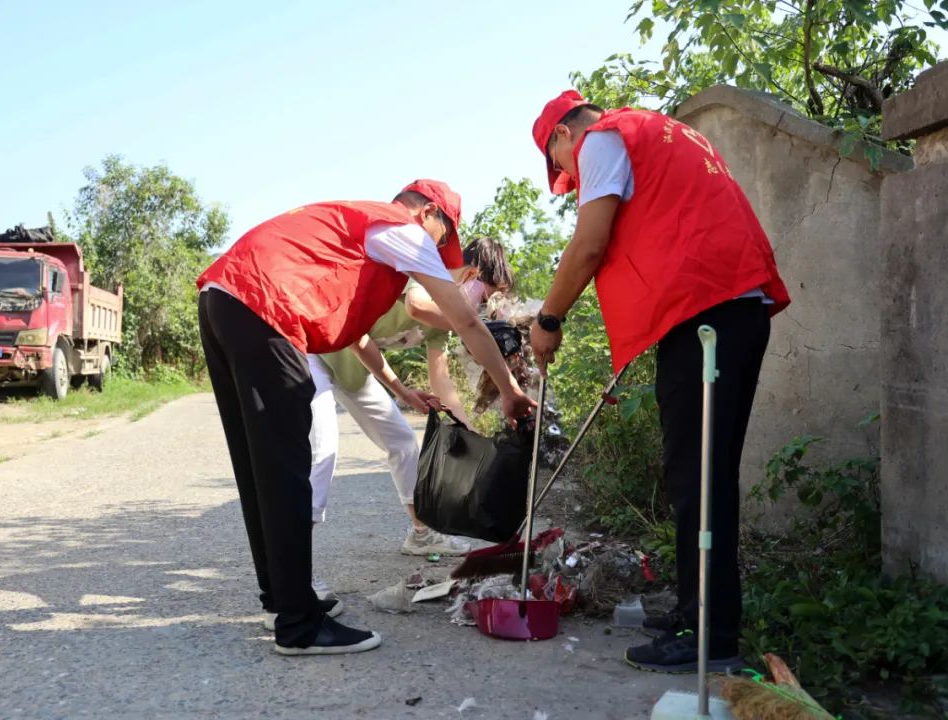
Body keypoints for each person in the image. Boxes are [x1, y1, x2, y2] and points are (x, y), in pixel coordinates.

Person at [197, 179, 534, 656]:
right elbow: (465, 320)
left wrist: (403, 384)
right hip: (262, 307)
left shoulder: (361, 231)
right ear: (430, 214)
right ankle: (299, 627)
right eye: (442, 240)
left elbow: (395, 317)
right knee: (288, 466)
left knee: (261, 466)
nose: (437, 252)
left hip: (223, 297)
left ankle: (284, 594)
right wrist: (510, 390)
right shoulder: (404, 230)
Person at [528, 91, 790, 673]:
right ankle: (694, 611)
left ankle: (712, 638)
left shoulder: (603, 140)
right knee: (693, 471)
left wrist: (548, 318)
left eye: (561, 169)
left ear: (563, 138)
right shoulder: (659, 131)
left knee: (701, 478)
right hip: (715, 310)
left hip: (711, 314)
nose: (571, 178)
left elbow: (590, 242)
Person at [307, 237, 513, 583]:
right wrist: (468, 325)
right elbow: (416, 306)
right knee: (322, 451)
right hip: (315, 354)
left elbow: (440, 376)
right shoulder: (429, 275)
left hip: (355, 366)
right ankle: (296, 574)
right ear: (471, 274)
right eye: (486, 296)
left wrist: (466, 428)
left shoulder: (447, 322)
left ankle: (421, 533)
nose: (483, 308)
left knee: (402, 442)